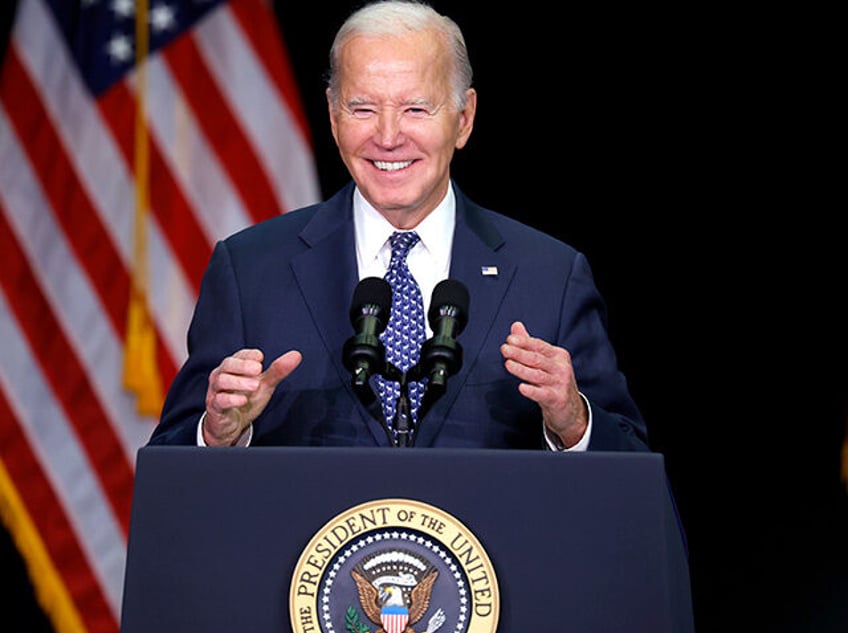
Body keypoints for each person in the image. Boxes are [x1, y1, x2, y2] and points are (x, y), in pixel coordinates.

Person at [148, 0, 649, 454]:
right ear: (332, 116)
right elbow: (171, 471)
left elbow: (632, 477)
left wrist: (573, 422)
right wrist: (216, 434)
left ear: (464, 119)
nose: (388, 137)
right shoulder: (251, 270)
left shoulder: (550, 276)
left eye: (416, 109)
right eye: (363, 108)